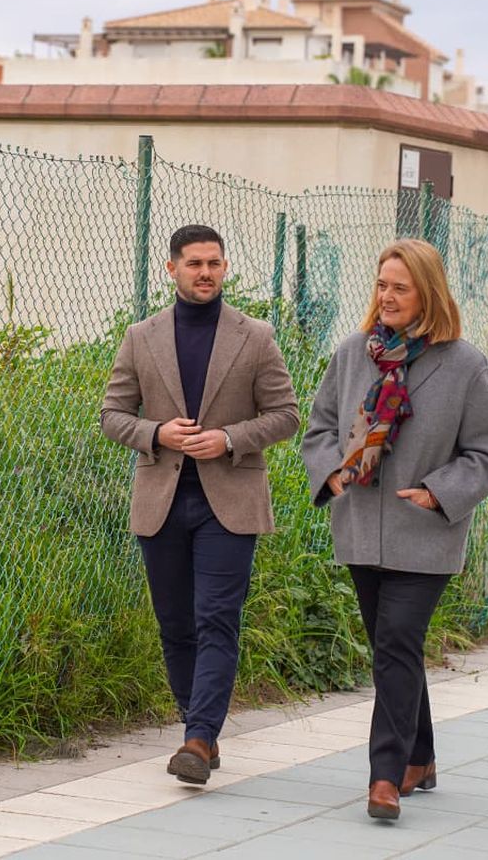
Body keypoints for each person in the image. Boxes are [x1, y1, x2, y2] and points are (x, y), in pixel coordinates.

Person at [300, 238, 488, 821]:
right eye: (381, 285)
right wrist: (333, 473)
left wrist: (439, 491)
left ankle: (384, 776)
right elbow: (318, 429)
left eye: (400, 287)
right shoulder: (351, 354)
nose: (387, 297)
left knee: (395, 641)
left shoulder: (465, 365)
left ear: (428, 293)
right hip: (361, 526)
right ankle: (421, 755)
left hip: (426, 531)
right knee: (393, 647)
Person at [100, 224, 300, 784]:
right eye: (194, 264)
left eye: (214, 263)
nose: (205, 272)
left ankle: (199, 738)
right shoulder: (141, 337)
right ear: (172, 269)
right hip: (161, 500)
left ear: (225, 267)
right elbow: (112, 415)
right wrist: (158, 432)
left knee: (217, 618)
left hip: (229, 500)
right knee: (175, 623)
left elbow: (286, 414)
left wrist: (230, 438)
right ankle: (199, 728)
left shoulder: (255, 336)